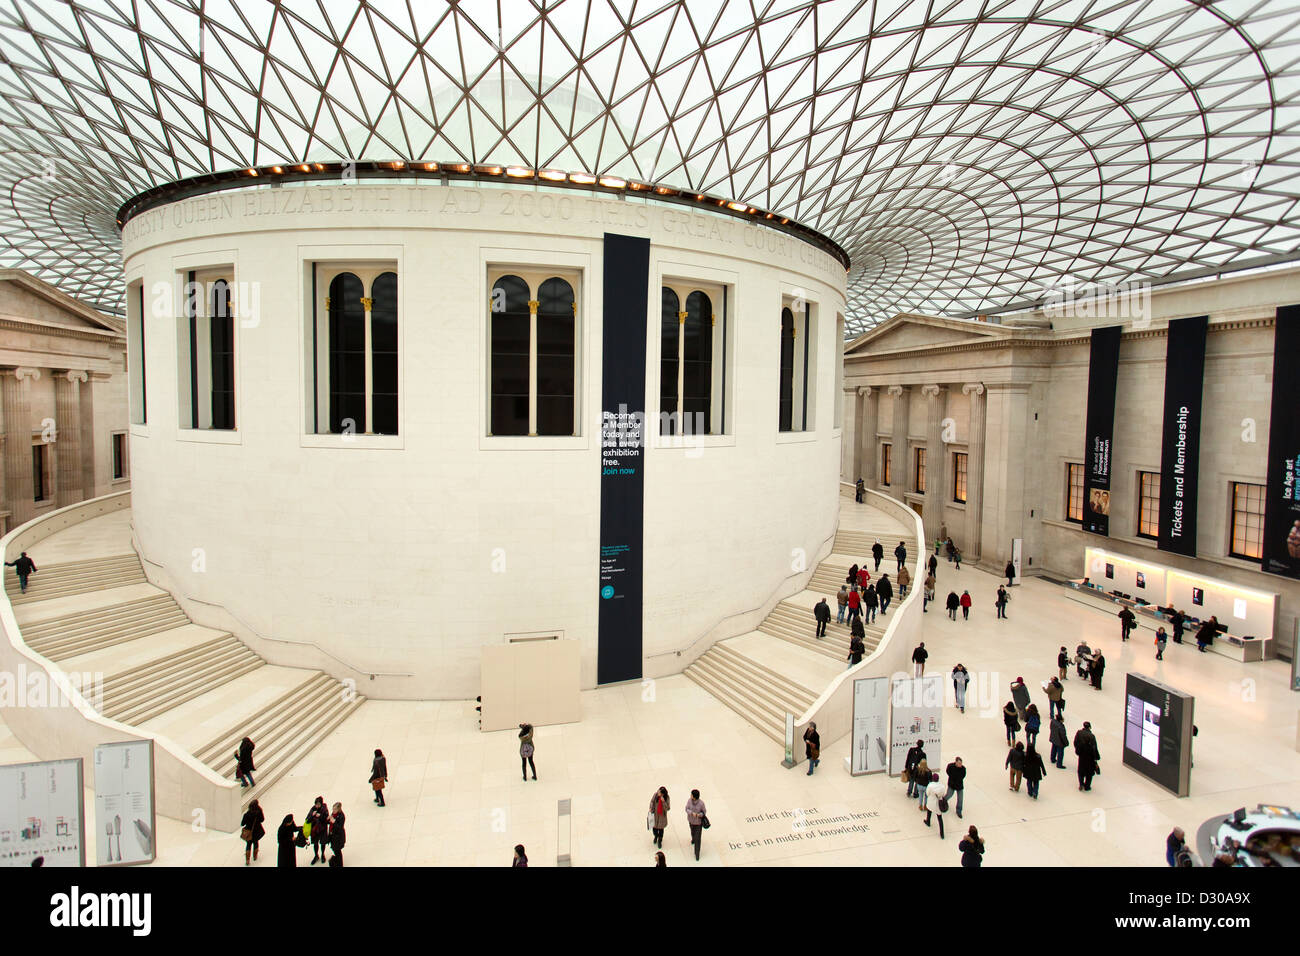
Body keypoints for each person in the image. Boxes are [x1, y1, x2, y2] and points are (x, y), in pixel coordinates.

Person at [1074, 721, 1100, 791]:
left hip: (1082, 755)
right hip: (1089, 757)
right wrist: (1096, 757)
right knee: (1089, 773)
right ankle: (1087, 786)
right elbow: (1094, 748)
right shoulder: (1092, 736)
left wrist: (1078, 750)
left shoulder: (1079, 733)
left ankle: (1081, 784)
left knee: (1081, 770)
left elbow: (1075, 742)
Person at [240, 798, 265, 865]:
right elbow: (262, 820)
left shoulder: (246, 814)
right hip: (257, 830)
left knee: (248, 844)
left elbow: (242, 823)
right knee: (256, 842)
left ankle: (247, 860)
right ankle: (255, 856)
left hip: (249, 832)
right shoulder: (259, 812)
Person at [684, 789, 707, 861]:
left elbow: (704, 812)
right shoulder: (689, 801)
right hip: (691, 821)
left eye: (691, 795)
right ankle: (693, 838)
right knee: (692, 833)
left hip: (698, 823)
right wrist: (691, 813)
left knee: (698, 839)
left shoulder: (701, 803)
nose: (690, 796)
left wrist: (698, 815)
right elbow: (686, 808)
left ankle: (697, 853)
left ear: (694, 797)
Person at [305, 796, 330, 864]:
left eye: (319, 804)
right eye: (316, 804)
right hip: (315, 830)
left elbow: (327, 820)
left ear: (321, 804)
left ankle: (322, 855)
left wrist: (320, 816)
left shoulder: (324, 809)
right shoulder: (313, 809)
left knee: (323, 843)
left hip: (322, 829)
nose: (317, 806)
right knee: (315, 843)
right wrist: (312, 815)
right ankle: (316, 855)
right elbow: (307, 820)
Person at [923, 772, 947, 837]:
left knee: (929, 811)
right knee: (939, 818)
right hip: (939, 803)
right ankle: (942, 833)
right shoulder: (942, 786)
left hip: (931, 801)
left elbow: (927, 793)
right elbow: (944, 794)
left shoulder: (930, 785)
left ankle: (928, 821)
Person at [328, 802, 346, 866]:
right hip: (333, 836)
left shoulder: (341, 816)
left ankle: (340, 864)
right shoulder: (334, 814)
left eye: (335, 809)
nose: (333, 811)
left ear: (338, 809)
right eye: (333, 809)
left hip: (338, 837)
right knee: (335, 850)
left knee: (338, 851)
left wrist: (334, 822)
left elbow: (340, 827)